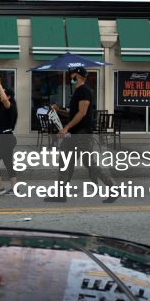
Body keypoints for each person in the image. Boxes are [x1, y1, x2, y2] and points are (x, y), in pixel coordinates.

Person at [54, 69, 116, 203]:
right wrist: (58, 110)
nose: (70, 77)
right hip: (75, 134)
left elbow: (82, 113)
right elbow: (74, 114)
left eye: (72, 75)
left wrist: (66, 128)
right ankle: (60, 194)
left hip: (82, 134)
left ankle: (113, 188)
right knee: (64, 162)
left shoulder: (84, 91)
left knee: (90, 164)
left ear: (77, 76)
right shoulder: (78, 91)